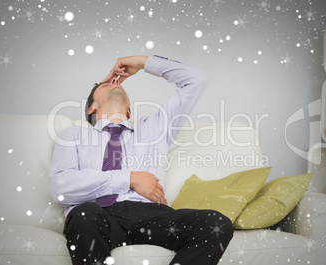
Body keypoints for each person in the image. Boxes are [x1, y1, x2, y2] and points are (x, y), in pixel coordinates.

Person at [48, 55, 234, 265]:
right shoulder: (74, 135)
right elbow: (61, 188)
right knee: (84, 214)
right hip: (99, 215)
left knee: (216, 223)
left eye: (116, 82)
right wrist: (129, 178)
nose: (114, 82)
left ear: (128, 110)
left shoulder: (153, 129)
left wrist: (142, 63)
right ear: (92, 108)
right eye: (105, 84)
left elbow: (196, 79)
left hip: (153, 215)